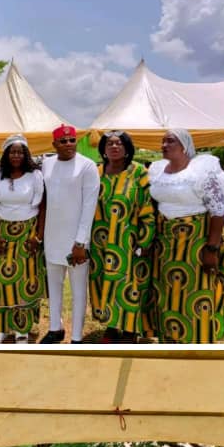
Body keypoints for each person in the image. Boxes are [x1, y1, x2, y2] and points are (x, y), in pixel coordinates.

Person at [148, 129, 224, 343]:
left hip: (195, 240)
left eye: (170, 141)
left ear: (185, 145)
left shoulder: (202, 171)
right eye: (163, 141)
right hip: (166, 241)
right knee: (167, 289)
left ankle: (197, 338)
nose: (163, 145)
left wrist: (212, 248)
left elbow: (218, 210)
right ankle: (169, 337)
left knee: (195, 289)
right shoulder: (158, 171)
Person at [89, 130, 155, 342]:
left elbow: (148, 207)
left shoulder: (139, 172)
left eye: (119, 144)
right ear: (103, 150)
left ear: (127, 148)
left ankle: (129, 330)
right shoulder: (96, 172)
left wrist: (145, 240)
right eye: (109, 144)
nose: (114, 147)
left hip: (129, 239)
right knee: (103, 280)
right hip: (99, 239)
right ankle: (110, 326)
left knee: (130, 285)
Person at [39, 125, 99, 344]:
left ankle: (76, 336)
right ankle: (55, 328)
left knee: (78, 290)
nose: (68, 144)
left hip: (77, 241)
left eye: (72, 140)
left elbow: (89, 206)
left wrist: (81, 242)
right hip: (52, 236)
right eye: (63, 141)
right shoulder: (46, 164)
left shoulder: (87, 166)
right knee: (54, 286)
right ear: (54, 144)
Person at [0, 134, 45, 343]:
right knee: (1, 280)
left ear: (26, 154)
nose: (16, 155)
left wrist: (38, 236)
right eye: (12, 151)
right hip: (3, 232)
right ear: (6, 154)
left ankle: (22, 329)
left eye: (20, 152)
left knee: (26, 279)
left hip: (27, 232)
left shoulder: (35, 176)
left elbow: (42, 206)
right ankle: (0, 328)